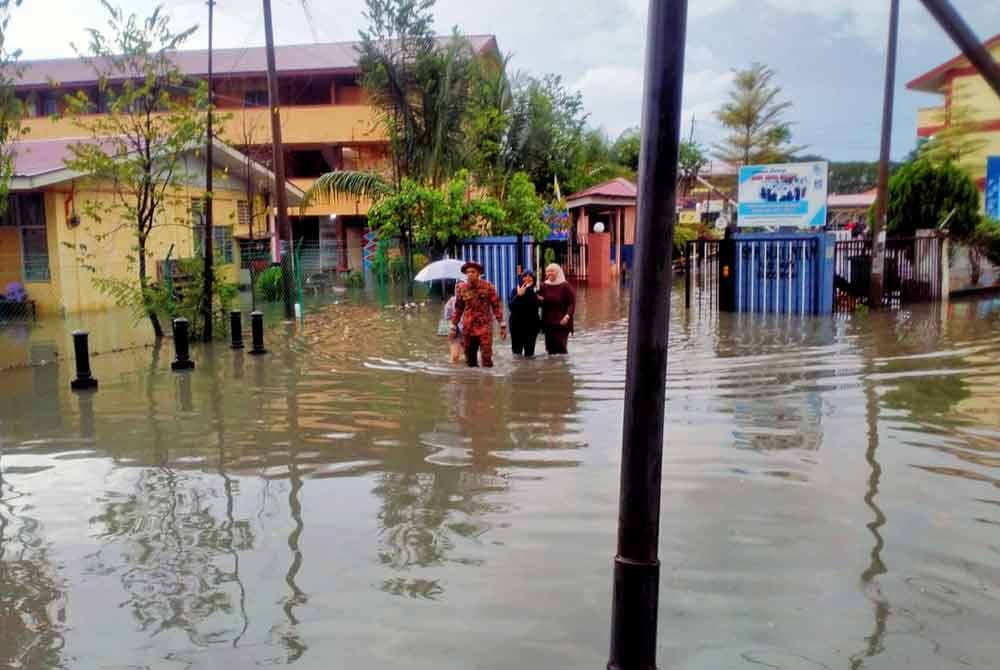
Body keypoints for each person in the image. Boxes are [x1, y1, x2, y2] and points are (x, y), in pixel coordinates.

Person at [451, 262, 506, 368]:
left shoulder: (488, 287)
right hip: (468, 328)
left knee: (486, 357)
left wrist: (502, 324)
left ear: (479, 273)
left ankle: (488, 382)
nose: (470, 274)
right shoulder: (462, 288)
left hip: (484, 327)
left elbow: (496, 306)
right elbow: (458, 308)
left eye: (473, 272)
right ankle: (473, 383)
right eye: (467, 272)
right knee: (470, 360)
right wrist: (453, 326)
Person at [537, 263, 576, 355]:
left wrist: (567, 316)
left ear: (558, 272)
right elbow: (539, 303)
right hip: (548, 322)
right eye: (548, 271)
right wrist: (538, 299)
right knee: (550, 349)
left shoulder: (565, 286)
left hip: (562, 322)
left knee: (561, 348)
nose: (549, 273)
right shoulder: (543, 286)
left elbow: (572, 304)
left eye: (552, 271)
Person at [508, 271, 540, 357]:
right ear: (521, 279)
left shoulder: (537, 291)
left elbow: (539, 306)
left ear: (534, 279)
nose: (527, 278)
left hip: (532, 327)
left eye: (530, 276)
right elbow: (511, 307)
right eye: (525, 276)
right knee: (516, 353)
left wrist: (532, 292)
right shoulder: (515, 290)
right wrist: (519, 295)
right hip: (516, 326)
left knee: (530, 354)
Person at [440, 284, 464, 364]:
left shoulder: (471, 301)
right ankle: (455, 375)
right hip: (455, 332)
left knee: (469, 358)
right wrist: (447, 332)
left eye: (460, 287)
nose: (458, 289)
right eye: (456, 287)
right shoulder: (451, 301)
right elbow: (446, 318)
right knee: (454, 357)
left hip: (469, 332)